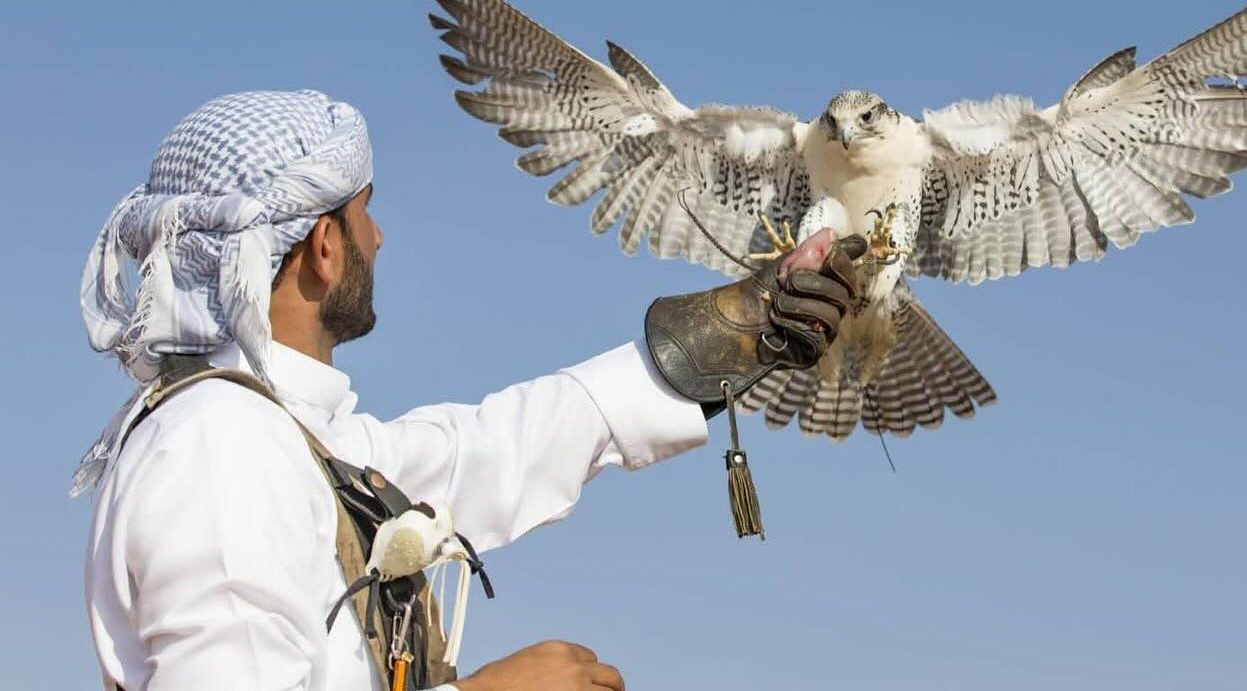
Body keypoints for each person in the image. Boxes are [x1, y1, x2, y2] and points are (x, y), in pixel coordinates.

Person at [76, 90, 862, 691]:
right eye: (363, 215)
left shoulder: (290, 438)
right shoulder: (218, 446)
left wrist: (745, 322)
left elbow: (495, 448)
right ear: (322, 247)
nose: (377, 238)